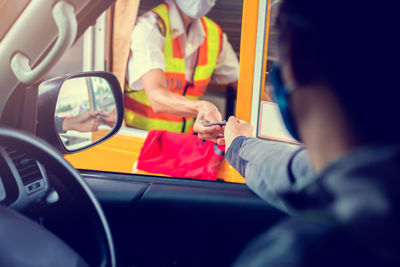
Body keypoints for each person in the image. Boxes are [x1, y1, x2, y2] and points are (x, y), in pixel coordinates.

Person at [220, 0, 400, 266]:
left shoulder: (298, 254)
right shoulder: (378, 179)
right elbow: (294, 170)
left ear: (296, 50)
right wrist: (239, 144)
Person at [125, 0, 239, 141]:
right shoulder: (150, 27)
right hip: (140, 141)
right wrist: (200, 107)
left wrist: (270, 112)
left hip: (182, 142)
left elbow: (242, 83)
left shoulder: (214, 34)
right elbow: (156, 97)